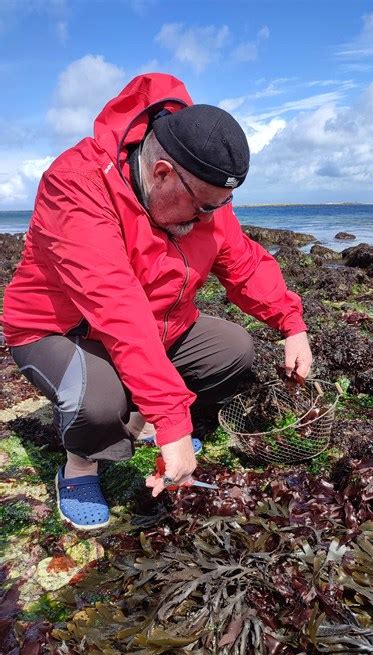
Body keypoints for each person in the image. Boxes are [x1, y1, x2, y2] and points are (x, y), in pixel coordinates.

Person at [3, 73, 312, 530]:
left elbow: (243, 261)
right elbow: (116, 307)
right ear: (162, 172)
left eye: (223, 204)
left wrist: (291, 323)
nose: (213, 215)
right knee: (100, 403)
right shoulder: (78, 185)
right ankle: (79, 465)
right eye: (206, 206)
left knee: (235, 351)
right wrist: (173, 420)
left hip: (156, 325)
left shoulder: (203, 193)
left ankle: (142, 421)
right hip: (58, 329)